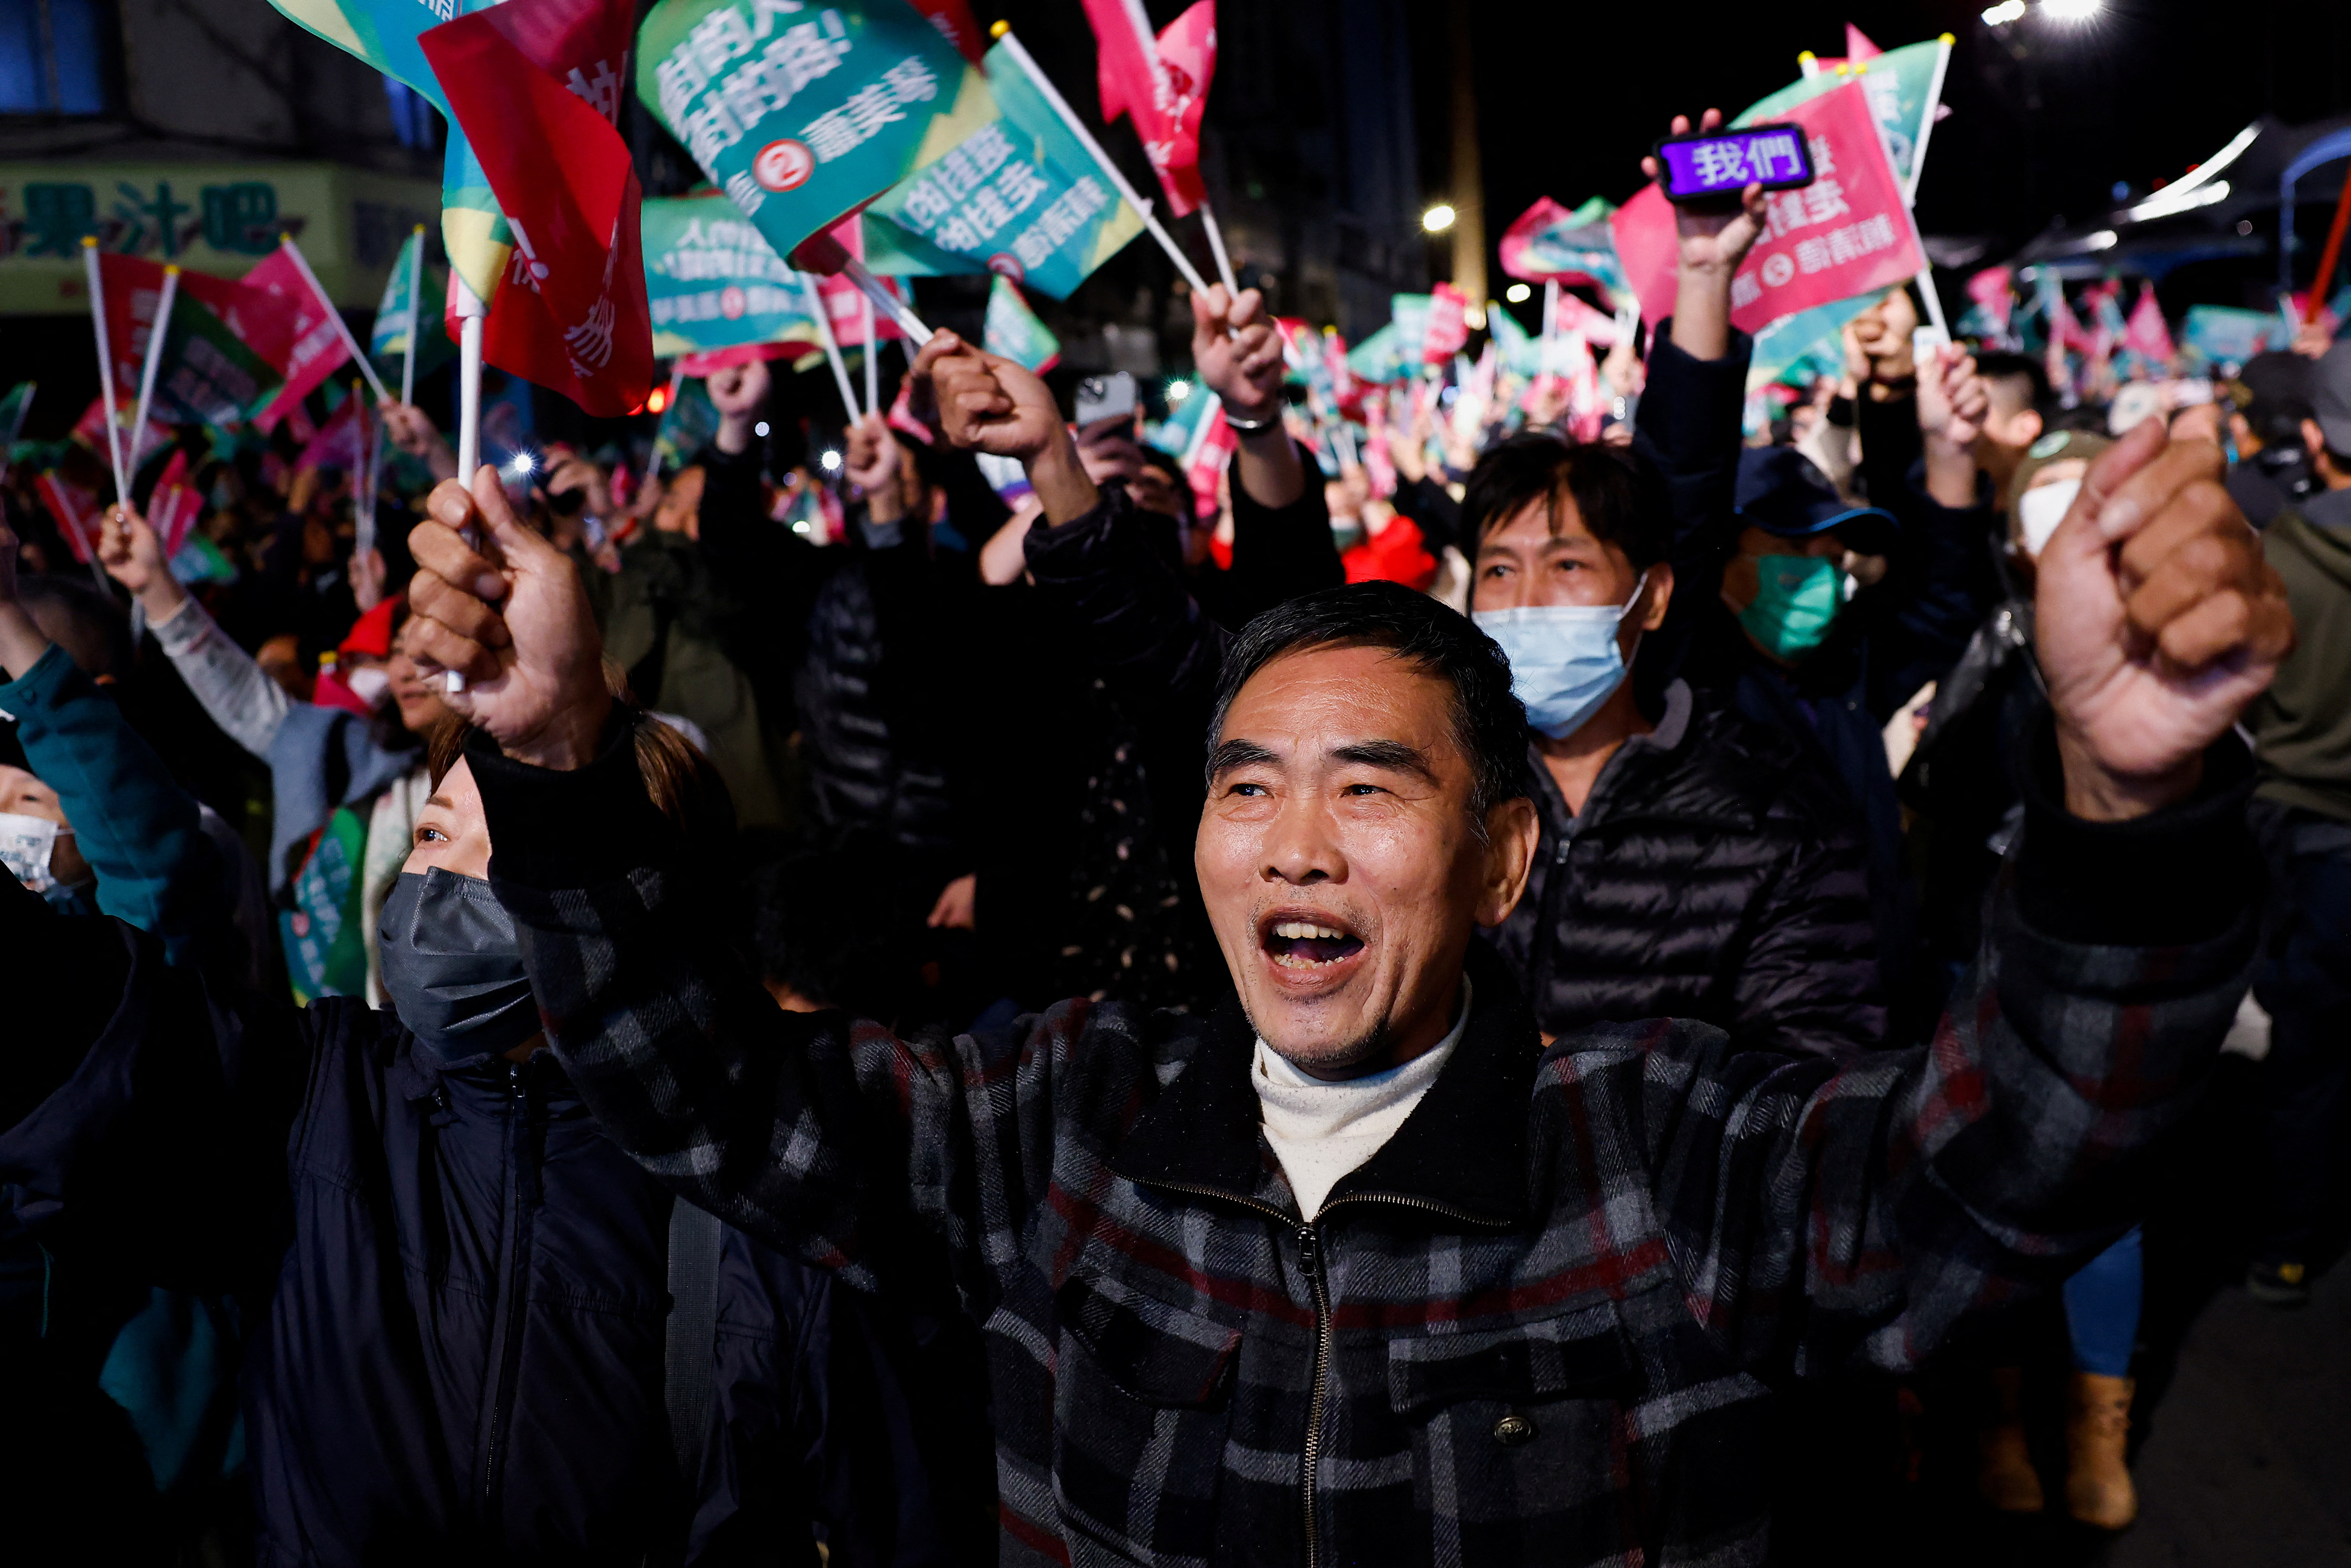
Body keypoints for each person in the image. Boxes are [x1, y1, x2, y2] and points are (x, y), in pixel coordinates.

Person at [399, 165, 2289, 1568]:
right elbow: (706, 1097)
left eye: (1368, 787)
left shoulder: (1656, 1155)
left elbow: (2002, 1159)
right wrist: (557, 762)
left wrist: (2129, 811)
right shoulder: (1061, 1115)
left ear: (1500, 861)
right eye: (1247, 786)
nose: (1296, 840)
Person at [0, 611, 978, 1563]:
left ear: (617, 895)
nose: (439, 887)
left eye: (502, 849)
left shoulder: (760, 1197)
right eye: (433, 839)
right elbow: (85, 1032)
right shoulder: (316, 1095)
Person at [99, 500, 445, 1005]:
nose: (409, 669)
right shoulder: (349, 749)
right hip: (354, 1028)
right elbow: (245, 699)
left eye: (430, 650)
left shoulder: (507, 776)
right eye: (397, 651)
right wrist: (154, 586)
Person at [2241, 337, 2351, 1309]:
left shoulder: (2276, 551)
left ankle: (2281, 1249)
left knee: (2305, 1056)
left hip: (2301, 834)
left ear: (2315, 441)